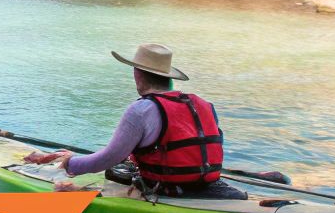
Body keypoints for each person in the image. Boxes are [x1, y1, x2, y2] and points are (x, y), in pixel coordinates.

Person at [24, 43, 247, 200]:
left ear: (137, 74)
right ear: (168, 76)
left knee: (100, 177)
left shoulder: (141, 110)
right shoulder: (204, 104)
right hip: (206, 184)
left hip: (166, 190)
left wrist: (69, 164)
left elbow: (108, 159)